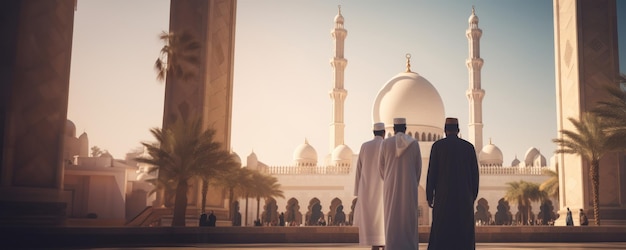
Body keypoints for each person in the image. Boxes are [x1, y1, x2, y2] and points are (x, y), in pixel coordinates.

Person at [426, 117, 479, 250]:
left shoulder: (437, 147)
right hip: (463, 199)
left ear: (445, 130)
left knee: (442, 232)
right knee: (463, 234)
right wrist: (471, 196)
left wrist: (429, 196)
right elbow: (475, 176)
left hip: (443, 199)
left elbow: (431, 174)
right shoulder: (468, 148)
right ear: (458, 130)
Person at [379, 117, 422, 250]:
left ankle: (392, 246)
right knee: (408, 216)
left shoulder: (385, 144)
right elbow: (418, 168)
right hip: (409, 186)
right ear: (405, 128)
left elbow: (381, 168)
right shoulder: (414, 144)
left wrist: (388, 180)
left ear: (393, 128)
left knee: (391, 216)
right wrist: (412, 183)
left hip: (390, 185)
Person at [354, 122, 386, 250]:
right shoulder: (386, 144)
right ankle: (383, 244)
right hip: (383, 188)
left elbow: (358, 169)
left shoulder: (365, 146)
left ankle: (374, 245)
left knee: (371, 220)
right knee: (383, 219)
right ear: (384, 133)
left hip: (367, 189)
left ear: (373, 132)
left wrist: (357, 192)